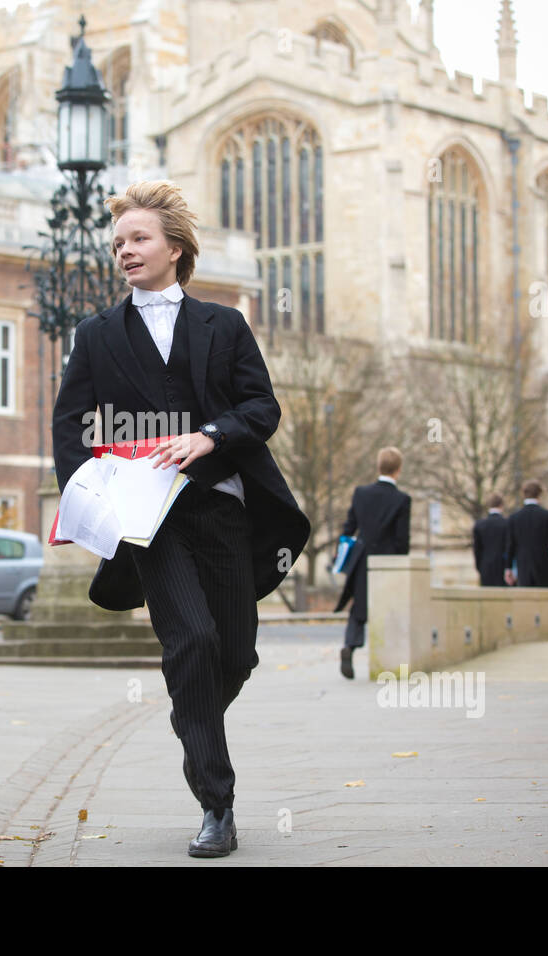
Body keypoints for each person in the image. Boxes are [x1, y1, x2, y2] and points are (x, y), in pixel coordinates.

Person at [52, 180, 308, 858]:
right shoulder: (97, 336)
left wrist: (213, 435)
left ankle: (190, 713)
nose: (125, 251)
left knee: (236, 652)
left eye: (138, 239)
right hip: (148, 522)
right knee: (190, 641)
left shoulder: (223, 325)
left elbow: (263, 409)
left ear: (175, 249)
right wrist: (90, 496)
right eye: (118, 244)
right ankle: (216, 803)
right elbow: (70, 422)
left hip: (225, 510)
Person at [334, 447, 411, 678]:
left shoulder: (360, 493)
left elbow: (349, 528)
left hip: (362, 558)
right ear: (398, 470)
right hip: (387, 560)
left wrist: (343, 553)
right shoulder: (402, 500)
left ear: (379, 466)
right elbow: (402, 539)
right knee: (387, 608)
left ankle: (350, 645)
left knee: (359, 608)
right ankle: (386, 658)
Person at [503, 480, 548, 587]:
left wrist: (508, 568)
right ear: (539, 494)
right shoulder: (546, 515)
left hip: (523, 564)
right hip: (543, 564)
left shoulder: (515, 517)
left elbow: (511, 544)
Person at [472, 493, 509, 587]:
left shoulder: (480, 524)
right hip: (502, 566)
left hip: (485, 566)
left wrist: (479, 567)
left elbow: (477, 549)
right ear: (501, 505)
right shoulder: (507, 524)